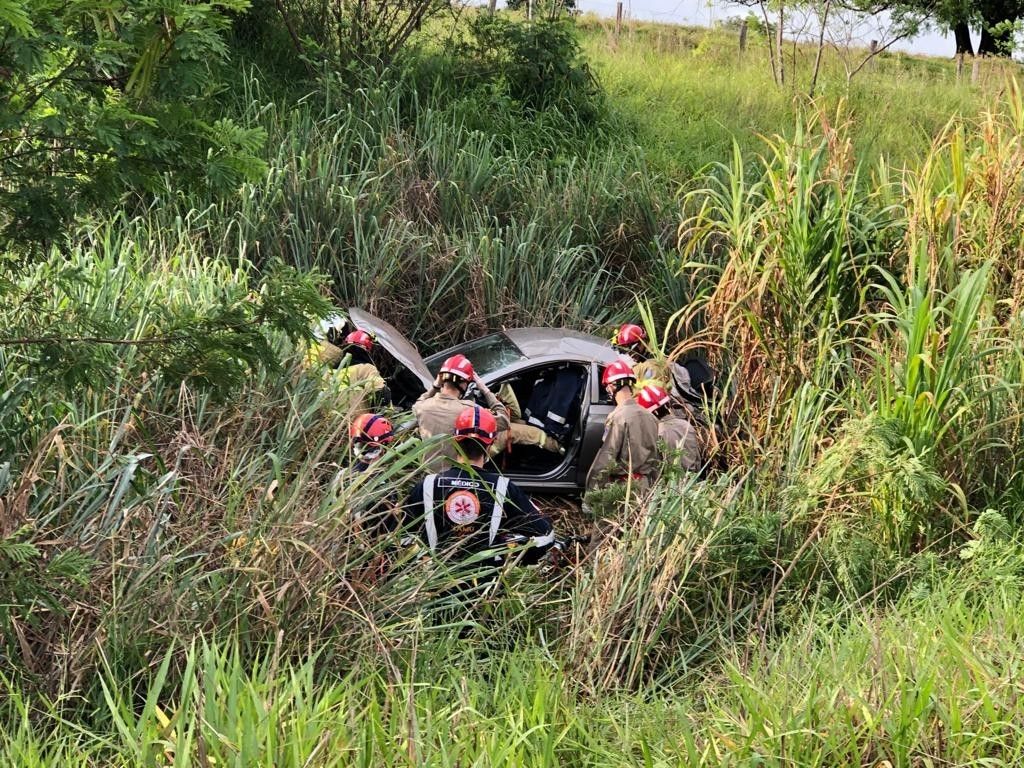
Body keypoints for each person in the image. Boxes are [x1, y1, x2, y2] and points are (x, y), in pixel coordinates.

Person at [401, 406, 555, 572]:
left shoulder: (427, 485)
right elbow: (545, 536)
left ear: (455, 439)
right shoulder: (503, 488)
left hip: (433, 584)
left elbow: (401, 537)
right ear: (492, 443)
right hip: (484, 587)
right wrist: (506, 553)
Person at [412, 354, 509, 472]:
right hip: (457, 475)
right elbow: (504, 421)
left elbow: (419, 401)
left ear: (441, 379)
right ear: (463, 384)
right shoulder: (470, 411)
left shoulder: (422, 407)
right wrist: (485, 389)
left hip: (429, 475)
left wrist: (434, 387)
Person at [586, 360, 661, 492]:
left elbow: (606, 457)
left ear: (612, 386)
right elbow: (656, 458)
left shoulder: (617, 417)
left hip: (622, 489)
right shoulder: (651, 417)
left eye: (607, 386)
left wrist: (592, 491)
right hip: (645, 487)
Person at [614, 321, 698, 401]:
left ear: (643, 343)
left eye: (633, 349)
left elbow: (652, 395)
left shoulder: (653, 365)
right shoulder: (643, 359)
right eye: (625, 351)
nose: (630, 354)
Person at [636, 384, 702, 472]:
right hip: (692, 479)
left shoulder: (656, 434)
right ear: (668, 404)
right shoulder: (686, 425)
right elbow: (697, 460)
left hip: (670, 483)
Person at [493, 383, 564, 456]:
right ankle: (558, 448)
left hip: (489, 425)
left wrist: (487, 393)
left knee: (515, 421)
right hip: (485, 445)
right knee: (533, 433)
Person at [332, 330, 390, 407]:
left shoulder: (331, 371)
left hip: (325, 417)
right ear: (366, 349)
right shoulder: (366, 369)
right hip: (354, 417)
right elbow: (382, 395)